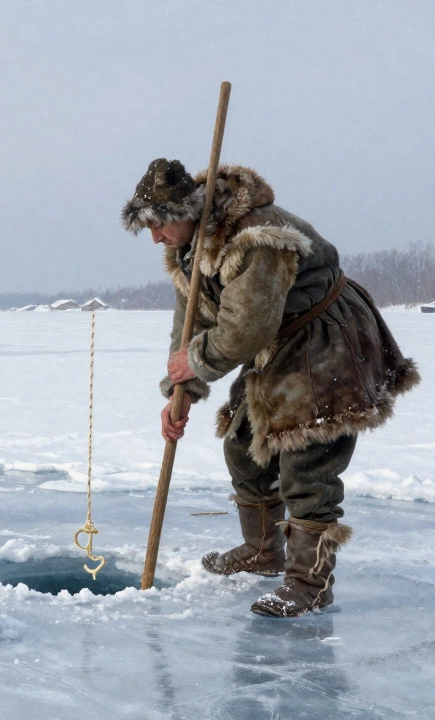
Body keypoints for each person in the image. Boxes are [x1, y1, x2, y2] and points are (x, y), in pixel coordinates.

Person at [122, 159, 419, 617]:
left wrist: (197, 363)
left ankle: (309, 583)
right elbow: (190, 325)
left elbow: (246, 327)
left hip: (323, 340)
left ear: (188, 211)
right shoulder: (191, 248)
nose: (155, 236)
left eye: (159, 224)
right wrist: (179, 392)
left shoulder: (256, 239)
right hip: (277, 342)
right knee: (244, 445)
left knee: (307, 460)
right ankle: (262, 550)